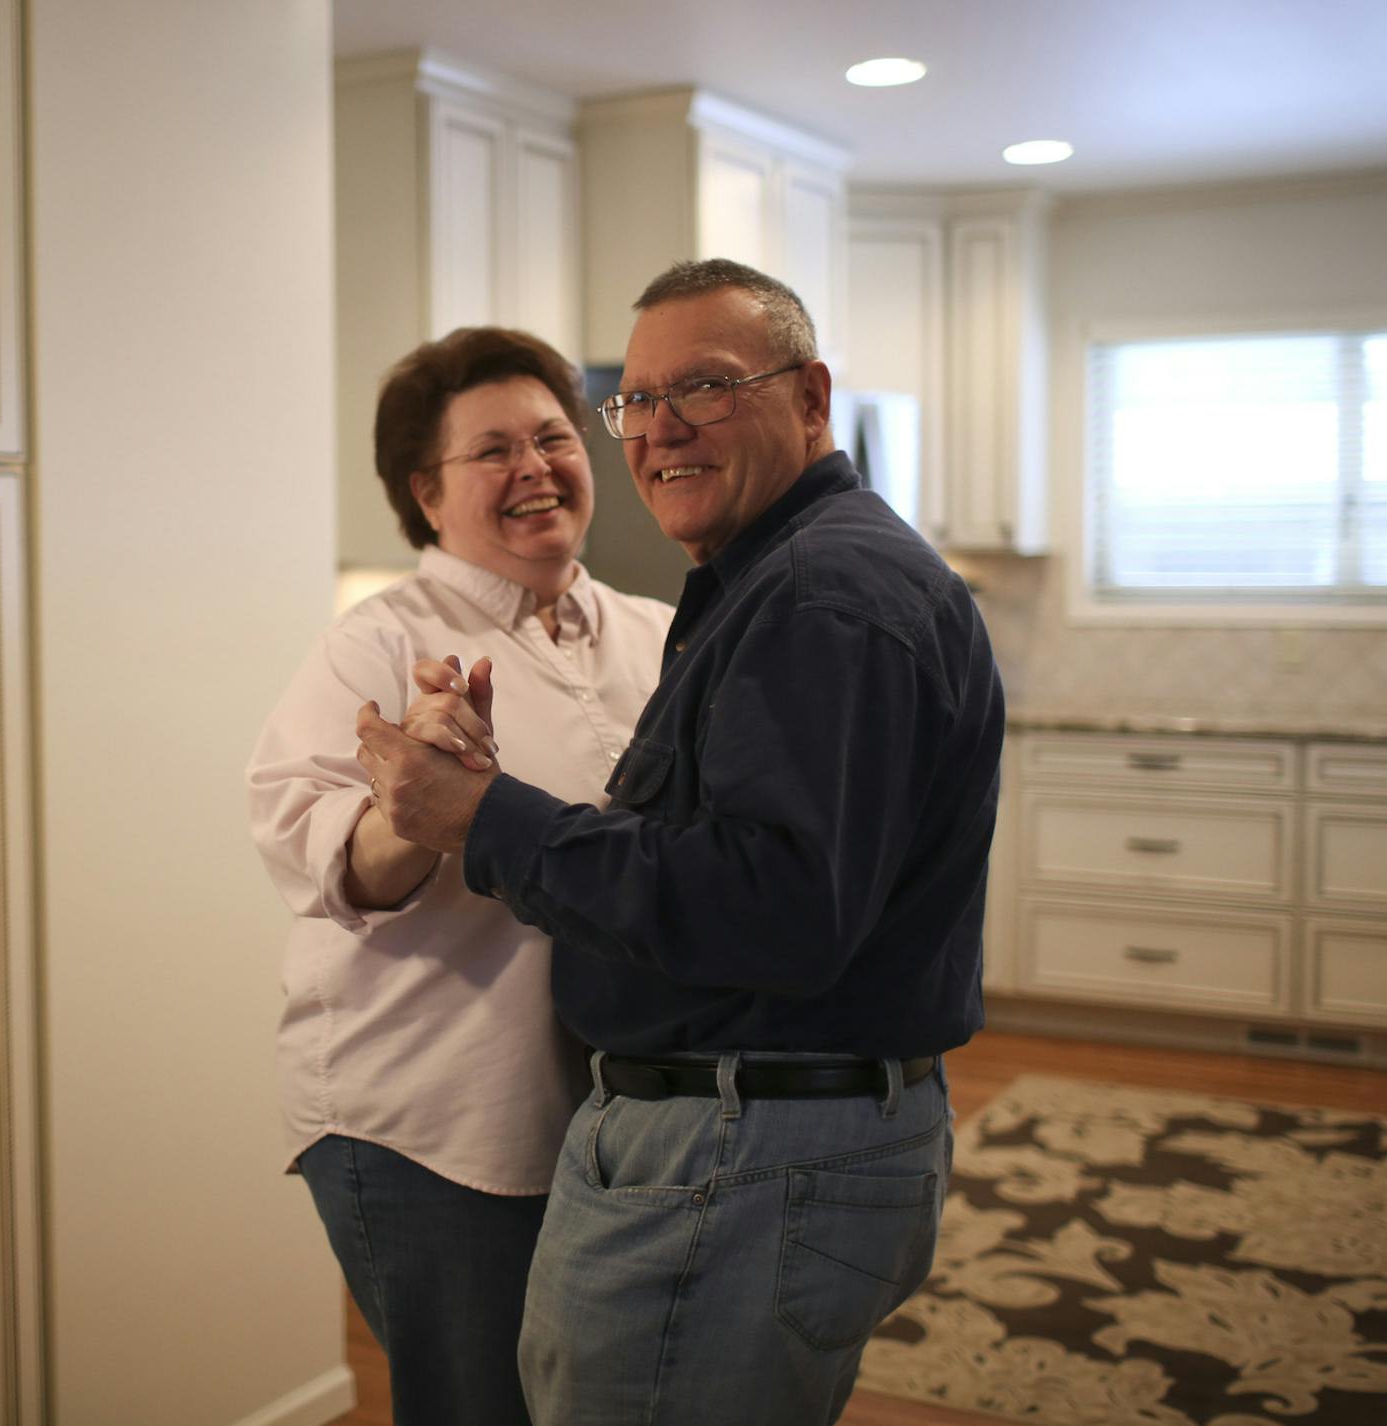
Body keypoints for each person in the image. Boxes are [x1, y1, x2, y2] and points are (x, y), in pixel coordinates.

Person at [355, 259, 1005, 1425]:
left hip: (747, 1159)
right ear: (424, 492)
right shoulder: (768, 581)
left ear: (809, 397)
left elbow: (773, 906)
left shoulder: (816, 594)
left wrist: (485, 815)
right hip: (733, 1143)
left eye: (703, 387)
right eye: (638, 402)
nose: (658, 431)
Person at [246, 326, 672, 1425]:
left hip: (603, 1117)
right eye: (494, 451)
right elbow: (322, 854)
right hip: (429, 1120)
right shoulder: (379, 643)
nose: (536, 466)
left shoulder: (656, 632)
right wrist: (418, 806)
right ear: (426, 493)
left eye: (552, 437)